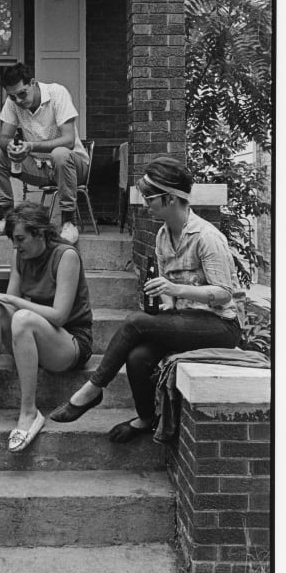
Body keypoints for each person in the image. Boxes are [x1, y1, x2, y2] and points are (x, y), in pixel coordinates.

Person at [50, 156, 243, 442]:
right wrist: (167, 299)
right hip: (187, 319)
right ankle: (146, 418)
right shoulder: (164, 235)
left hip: (220, 325)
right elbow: (168, 289)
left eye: (150, 197)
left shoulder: (206, 237)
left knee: (135, 322)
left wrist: (176, 290)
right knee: (137, 357)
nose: (145, 203)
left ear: (171, 199)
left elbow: (224, 294)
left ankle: (92, 390)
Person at [0, 202, 93, 453]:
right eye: (13, 239)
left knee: (22, 317)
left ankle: (29, 412)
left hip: (71, 342)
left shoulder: (66, 256)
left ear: (40, 233)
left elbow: (59, 316)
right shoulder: (19, 256)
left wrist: (10, 300)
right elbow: (8, 305)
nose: (15, 245)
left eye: (20, 239)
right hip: (37, 335)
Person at [0, 63, 90, 245]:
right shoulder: (14, 102)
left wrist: (30, 146)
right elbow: (3, 138)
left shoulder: (57, 93)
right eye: (12, 96)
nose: (18, 100)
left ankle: (69, 222)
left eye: (22, 93)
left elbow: (69, 140)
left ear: (32, 82)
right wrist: (12, 147)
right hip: (40, 167)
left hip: (73, 166)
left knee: (60, 154)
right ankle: (8, 220)